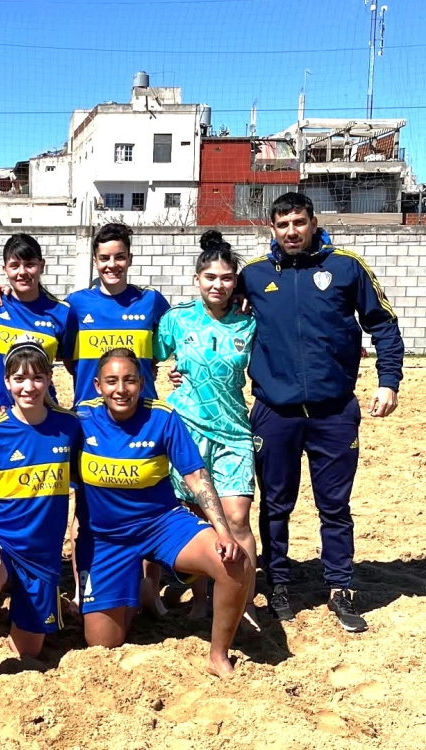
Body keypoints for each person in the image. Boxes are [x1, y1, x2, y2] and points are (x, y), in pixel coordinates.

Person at [237, 192, 404, 632]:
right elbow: (217, 318)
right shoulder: (253, 275)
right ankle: (278, 584)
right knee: (275, 505)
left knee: (335, 505)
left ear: (313, 222)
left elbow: (384, 325)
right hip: (275, 412)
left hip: (334, 411)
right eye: (282, 224)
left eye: (298, 222)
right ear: (271, 229)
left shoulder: (346, 266)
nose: (291, 231)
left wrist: (389, 381)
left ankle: (340, 588)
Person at [75, 348, 251, 678]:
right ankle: (135, 589)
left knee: (233, 561)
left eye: (129, 380)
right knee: (103, 643)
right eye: (111, 381)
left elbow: (198, 479)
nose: (120, 389)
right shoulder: (80, 420)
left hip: (161, 524)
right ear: (97, 385)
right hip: (106, 541)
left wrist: (224, 532)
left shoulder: (162, 416)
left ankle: (218, 655)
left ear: (142, 383)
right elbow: (37, 427)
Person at [0, 341, 81, 687]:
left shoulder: (68, 426)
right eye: (19, 379)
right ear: (7, 382)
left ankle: (22, 616)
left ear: (49, 380)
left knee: (29, 650)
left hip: (42, 555)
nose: (28, 387)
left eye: (37, 378)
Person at [155, 231, 258, 626]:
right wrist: (169, 376)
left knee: (237, 518)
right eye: (210, 277)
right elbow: (150, 359)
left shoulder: (249, 323)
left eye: (227, 278)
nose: (218, 285)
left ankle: (243, 599)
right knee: (198, 519)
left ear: (236, 281)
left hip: (233, 430)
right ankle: (201, 599)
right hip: (187, 430)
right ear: (198, 278)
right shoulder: (177, 319)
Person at [62, 222, 170, 404]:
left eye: (119, 257)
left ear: (130, 259)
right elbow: (67, 358)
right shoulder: (76, 303)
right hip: (90, 414)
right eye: (104, 258)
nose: (112, 265)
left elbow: (180, 337)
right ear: (95, 261)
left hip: (143, 413)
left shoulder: (151, 300)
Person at [0, 234, 69, 421]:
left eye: (30, 264)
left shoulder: (61, 313)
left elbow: (70, 365)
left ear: (42, 265)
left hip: (40, 415)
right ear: (5, 269)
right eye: (14, 266)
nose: (22, 272)